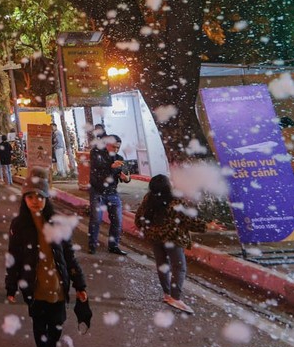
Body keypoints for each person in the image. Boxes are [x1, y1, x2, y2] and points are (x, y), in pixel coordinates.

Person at [5, 178, 88, 347]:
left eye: (40, 196)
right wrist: (11, 285)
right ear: (24, 198)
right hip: (35, 285)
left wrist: (79, 284)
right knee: (41, 326)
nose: (35, 201)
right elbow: (13, 256)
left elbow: (69, 255)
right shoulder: (19, 224)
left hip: (58, 284)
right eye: (30, 196)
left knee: (57, 325)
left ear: (46, 198)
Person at [135, 174, 216, 314]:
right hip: (173, 239)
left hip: (155, 238)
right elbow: (190, 222)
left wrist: (147, 229)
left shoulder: (149, 199)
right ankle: (175, 297)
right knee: (179, 267)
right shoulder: (176, 202)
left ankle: (167, 294)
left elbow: (139, 218)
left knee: (162, 265)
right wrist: (208, 226)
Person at [88, 135, 131, 255]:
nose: (116, 150)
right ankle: (92, 245)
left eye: (118, 147)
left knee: (117, 220)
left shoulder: (119, 158)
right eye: (114, 147)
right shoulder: (96, 154)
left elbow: (126, 175)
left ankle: (114, 245)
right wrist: (111, 167)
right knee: (96, 219)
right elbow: (98, 172)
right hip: (97, 191)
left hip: (112, 192)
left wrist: (126, 178)